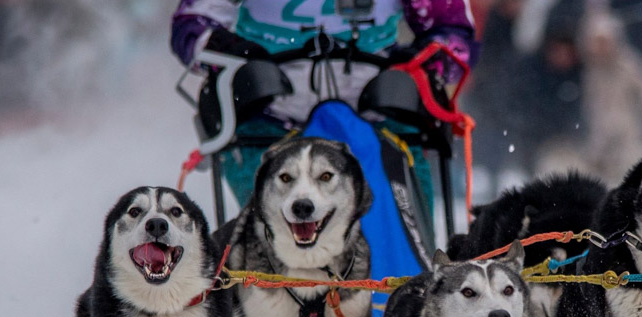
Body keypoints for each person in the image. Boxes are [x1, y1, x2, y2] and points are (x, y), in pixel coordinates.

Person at [170, 0, 477, 208]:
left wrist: (426, 60)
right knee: (272, 249)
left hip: (378, 120)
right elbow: (192, 25)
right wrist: (228, 49)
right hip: (269, 121)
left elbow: (454, 36)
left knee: (399, 242)